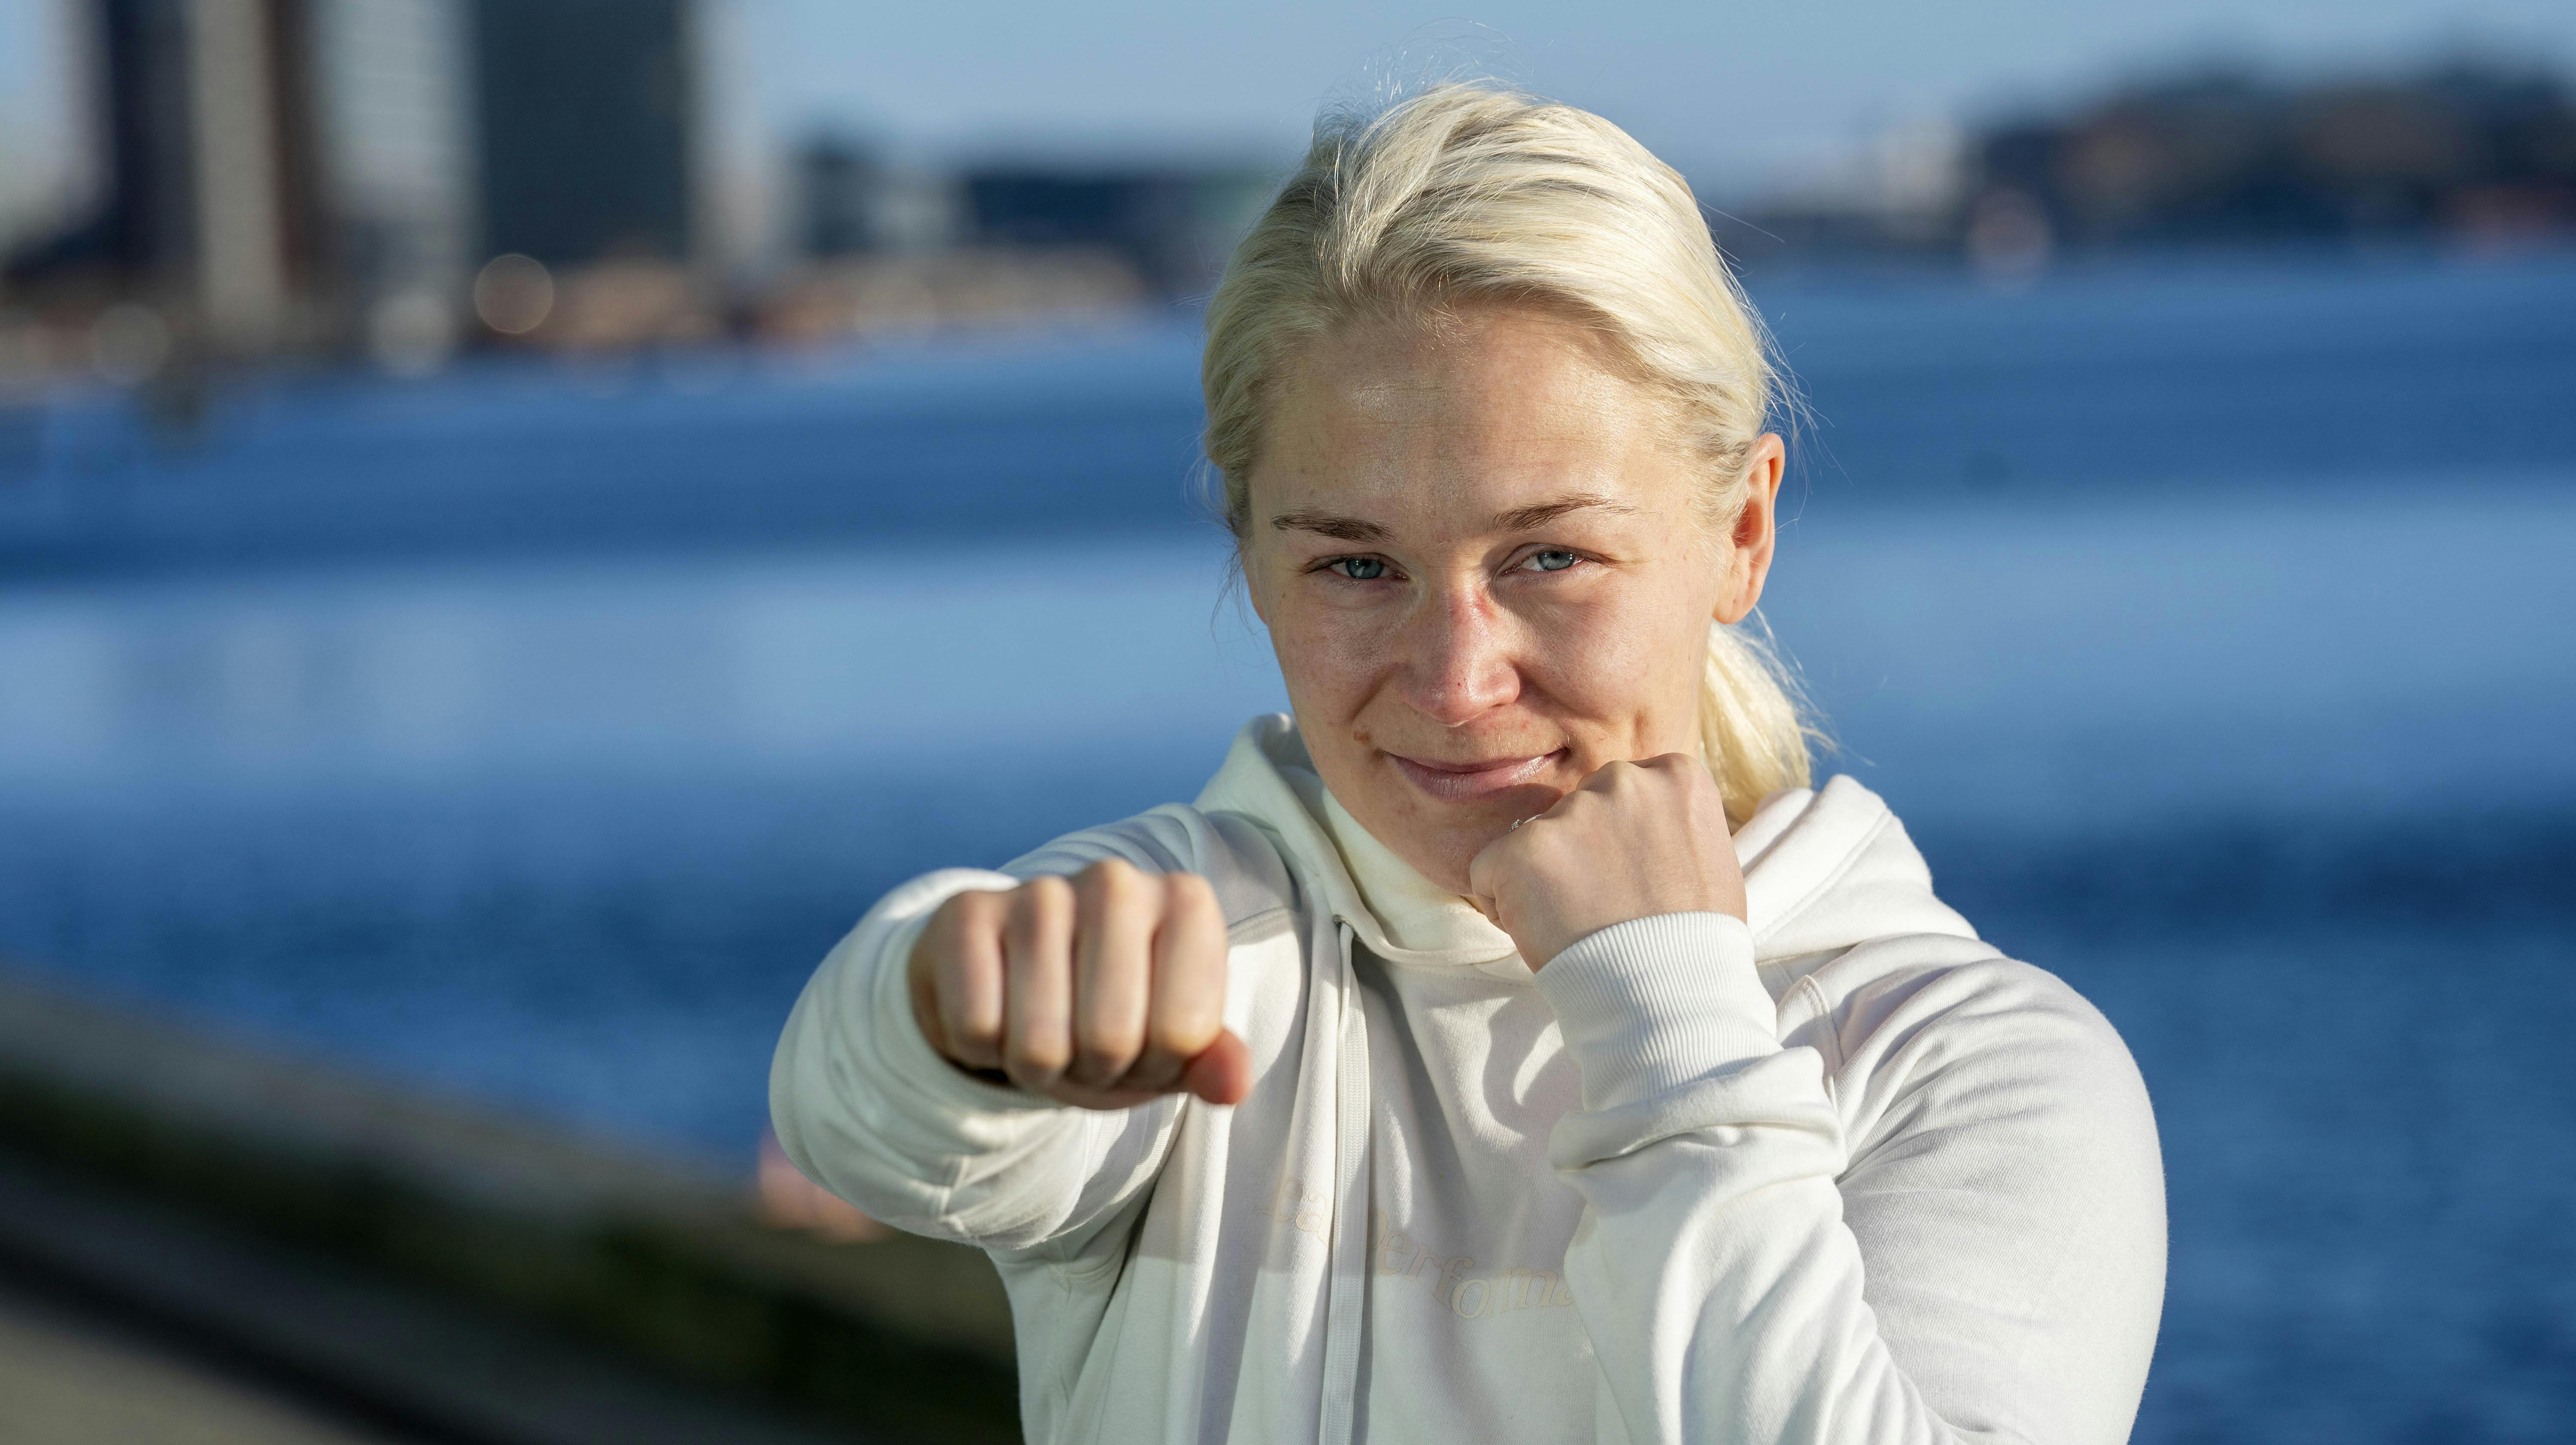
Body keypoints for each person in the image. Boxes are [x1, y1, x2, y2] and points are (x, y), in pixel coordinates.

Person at [770, 82, 2165, 1445]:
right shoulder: (1206, 959)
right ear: (1251, 561)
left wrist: (1667, 1015)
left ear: (1741, 532)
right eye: (1356, 565)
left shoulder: (1973, 1068)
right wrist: (954, 1008)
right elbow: (866, 1117)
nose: (1454, 678)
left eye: (1549, 557)